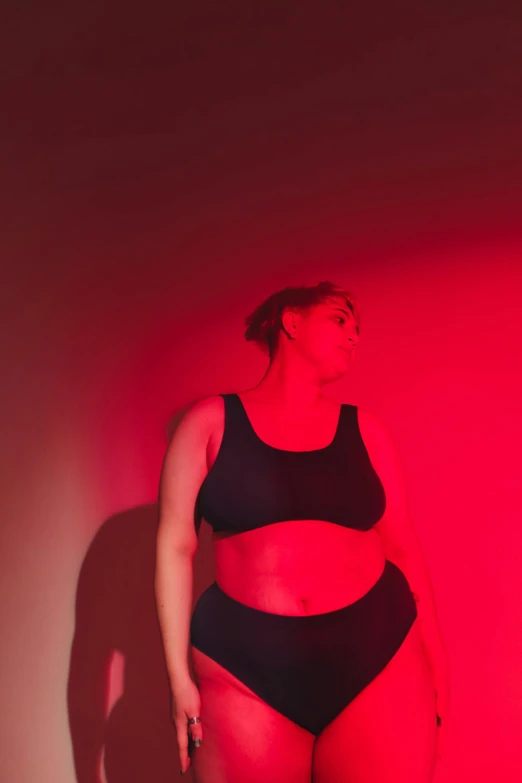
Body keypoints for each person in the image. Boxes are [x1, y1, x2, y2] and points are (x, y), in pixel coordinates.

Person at [154, 280, 450, 783]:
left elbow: (402, 547)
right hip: (242, 668)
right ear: (291, 321)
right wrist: (177, 681)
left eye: (358, 329)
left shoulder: (367, 431)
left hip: (379, 661)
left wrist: (437, 663)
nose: (354, 336)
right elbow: (175, 546)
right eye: (339, 319)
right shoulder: (208, 423)